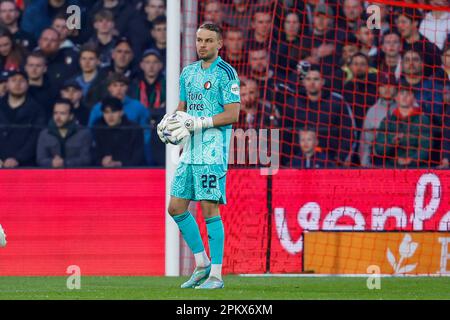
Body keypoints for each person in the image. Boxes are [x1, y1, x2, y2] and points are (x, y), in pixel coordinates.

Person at [157, 23, 240, 289]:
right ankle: (202, 263)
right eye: (199, 40)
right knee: (176, 207)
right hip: (189, 151)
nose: (202, 45)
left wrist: (199, 122)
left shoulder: (226, 73)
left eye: (208, 41)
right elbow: (182, 110)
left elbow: (232, 114)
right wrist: (168, 123)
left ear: (219, 44)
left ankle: (216, 275)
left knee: (208, 208)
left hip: (212, 151)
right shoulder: (188, 73)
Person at [283, 65, 353, 167]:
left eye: (316, 79)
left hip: (330, 161)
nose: (312, 83)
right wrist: (289, 160)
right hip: (299, 162)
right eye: (308, 79)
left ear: (323, 82)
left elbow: (349, 132)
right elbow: (285, 134)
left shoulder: (337, 102)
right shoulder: (292, 103)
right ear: (303, 82)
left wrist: (340, 158)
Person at [89, 72, 151, 165]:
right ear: (109, 88)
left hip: (131, 151)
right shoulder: (98, 108)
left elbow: (146, 132)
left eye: (122, 85)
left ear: (127, 88)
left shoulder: (138, 107)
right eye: (115, 85)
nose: (119, 89)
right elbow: (91, 132)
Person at [374, 86, 432, 168]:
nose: (404, 97)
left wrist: (411, 160)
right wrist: (393, 143)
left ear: (414, 98)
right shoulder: (387, 121)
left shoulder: (423, 120)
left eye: (408, 94)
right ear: (396, 98)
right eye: (401, 93)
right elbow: (379, 149)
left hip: (416, 168)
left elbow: (425, 149)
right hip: (391, 167)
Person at [0, 69, 46, 167]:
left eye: (21, 81)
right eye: (13, 80)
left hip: (25, 165)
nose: (17, 84)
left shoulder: (36, 110)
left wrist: (18, 158)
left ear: (27, 84)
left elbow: (35, 138)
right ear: (7, 84)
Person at [36, 98, 92, 167]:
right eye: (55, 113)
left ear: (71, 116)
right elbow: (40, 159)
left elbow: (86, 159)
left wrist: (65, 163)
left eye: (62, 113)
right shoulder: (44, 134)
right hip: (51, 175)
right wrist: (52, 162)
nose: (58, 117)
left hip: (76, 175)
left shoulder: (84, 133)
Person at [93, 96, 144, 167]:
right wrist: (101, 161)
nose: (110, 116)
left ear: (121, 112)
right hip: (103, 171)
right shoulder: (98, 128)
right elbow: (93, 155)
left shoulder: (134, 129)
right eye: (106, 112)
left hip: (129, 171)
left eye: (113, 111)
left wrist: (120, 163)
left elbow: (138, 157)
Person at [359, 73, 398, 167]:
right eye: (383, 86)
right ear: (378, 89)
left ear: (396, 88)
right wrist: (365, 164)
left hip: (401, 159)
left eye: (390, 86)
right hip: (379, 160)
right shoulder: (372, 111)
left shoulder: (404, 107)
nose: (387, 89)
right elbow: (366, 141)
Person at [71, 43, 109, 109]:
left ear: (97, 61)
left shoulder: (105, 82)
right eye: (84, 59)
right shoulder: (71, 81)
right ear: (80, 61)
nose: (87, 62)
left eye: (91, 59)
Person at [25, 51, 58, 121]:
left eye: (38, 66)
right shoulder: (17, 90)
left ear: (45, 69)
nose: (34, 69)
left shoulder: (54, 91)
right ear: (26, 68)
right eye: (31, 65)